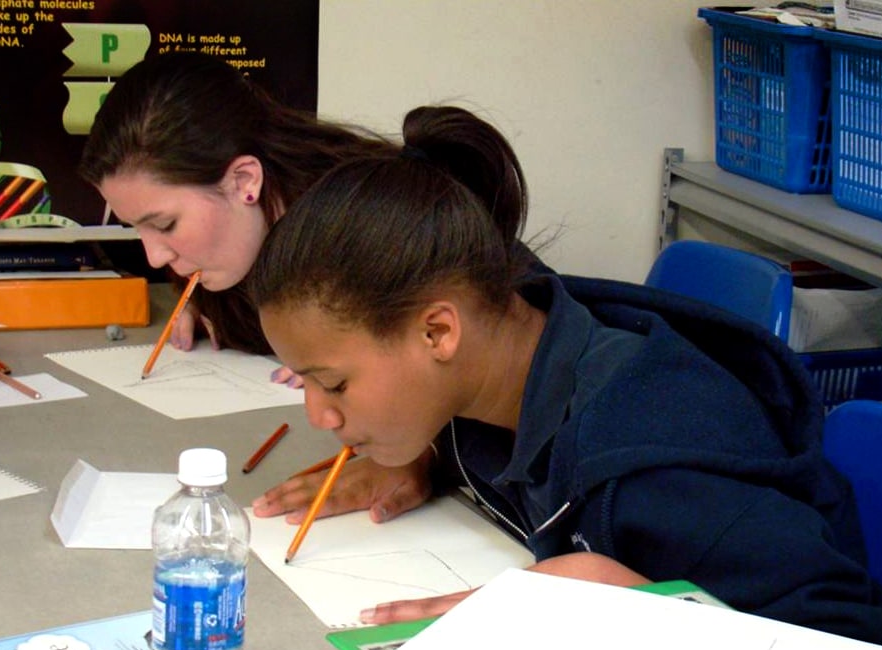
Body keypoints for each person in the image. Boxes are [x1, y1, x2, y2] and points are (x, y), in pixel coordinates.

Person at [246, 107, 882, 647]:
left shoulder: (660, 470)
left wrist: (631, 600)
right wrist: (427, 455)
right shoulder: (499, 362)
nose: (318, 416)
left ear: (437, 332)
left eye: (334, 383)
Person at [78, 51, 542, 524]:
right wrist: (200, 297)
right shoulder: (232, 256)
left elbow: (495, 333)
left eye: (166, 225)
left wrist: (429, 452)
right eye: (137, 228)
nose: (154, 257)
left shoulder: (378, 220)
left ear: (244, 180)